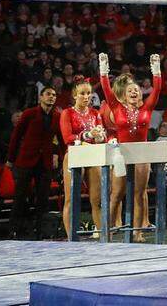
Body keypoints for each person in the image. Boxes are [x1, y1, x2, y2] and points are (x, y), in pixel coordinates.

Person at [99, 52, 162, 241]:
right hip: (122, 154)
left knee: (139, 193)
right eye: (130, 91)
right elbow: (106, 89)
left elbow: (157, 90)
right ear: (124, 96)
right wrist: (103, 69)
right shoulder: (117, 107)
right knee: (117, 194)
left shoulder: (146, 108)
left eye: (136, 90)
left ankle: (137, 231)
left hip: (141, 154)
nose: (134, 92)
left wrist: (156, 71)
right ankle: (107, 231)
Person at [7, 86, 61, 239]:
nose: (51, 97)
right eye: (48, 94)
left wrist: (61, 156)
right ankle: (15, 229)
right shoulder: (29, 114)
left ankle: (40, 230)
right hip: (25, 160)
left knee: (43, 198)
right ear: (41, 97)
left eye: (54, 95)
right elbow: (16, 137)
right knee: (20, 197)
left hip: (44, 162)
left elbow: (60, 139)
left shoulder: (57, 116)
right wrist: (10, 159)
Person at [60, 78, 108, 239]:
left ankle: (103, 236)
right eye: (82, 93)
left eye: (88, 93)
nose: (86, 97)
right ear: (74, 95)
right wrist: (88, 134)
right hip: (74, 156)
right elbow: (67, 137)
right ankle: (71, 238)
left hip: (92, 155)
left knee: (97, 199)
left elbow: (101, 136)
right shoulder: (67, 113)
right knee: (71, 199)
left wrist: (100, 136)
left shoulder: (95, 113)